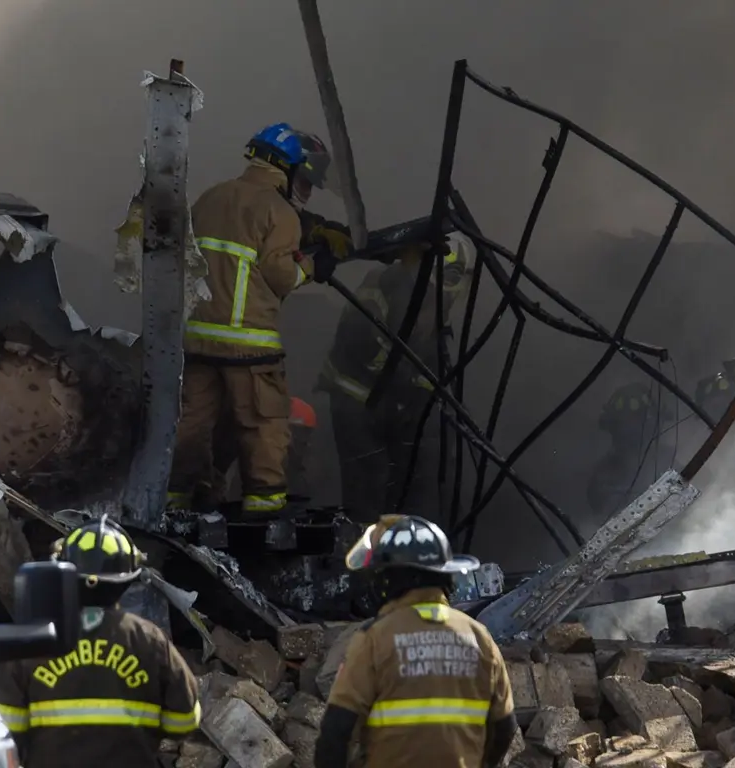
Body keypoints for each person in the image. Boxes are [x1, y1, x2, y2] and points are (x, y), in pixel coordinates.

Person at [167, 123, 346, 519]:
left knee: (193, 428)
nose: (307, 190)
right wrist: (315, 266)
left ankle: (176, 508)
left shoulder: (211, 198)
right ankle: (263, 518)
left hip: (198, 342)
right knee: (264, 428)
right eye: (305, 180)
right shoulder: (279, 212)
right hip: (250, 347)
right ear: (286, 168)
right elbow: (282, 275)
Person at [0, 516, 201, 768]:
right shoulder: (150, 641)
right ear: (128, 578)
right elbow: (184, 722)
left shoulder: (32, 641)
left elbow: (6, 730)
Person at [314, 514, 517, 768]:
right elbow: (505, 728)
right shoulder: (480, 637)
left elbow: (336, 732)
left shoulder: (374, 638)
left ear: (387, 579)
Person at [315, 233, 476, 522]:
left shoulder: (437, 302)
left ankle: (411, 554)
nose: (445, 298)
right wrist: (407, 388)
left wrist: (429, 398)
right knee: (367, 485)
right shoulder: (384, 286)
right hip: (354, 397)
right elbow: (360, 347)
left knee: (416, 482)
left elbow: (428, 363)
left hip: (393, 403)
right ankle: (363, 558)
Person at [586, 381, 674, 516]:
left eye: (638, 424)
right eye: (624, 425)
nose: (630, 432)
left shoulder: (674, 465)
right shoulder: (601, 480)